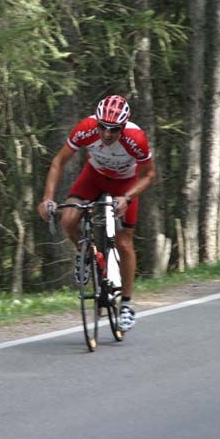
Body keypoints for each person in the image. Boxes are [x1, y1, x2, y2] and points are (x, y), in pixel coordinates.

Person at [37, 95, 156, 332]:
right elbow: (59, 161)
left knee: (123, 242)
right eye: (102, 127)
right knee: (69, 219)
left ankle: (126, 305)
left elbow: (149, 175)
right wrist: (47, 198)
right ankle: (87, 253)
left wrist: (128, 197)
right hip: (94, 177)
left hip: (125, 184)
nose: (107, 133)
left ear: (123, 127)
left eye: (113, 129)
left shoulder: (136, 139)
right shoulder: (87, 128)